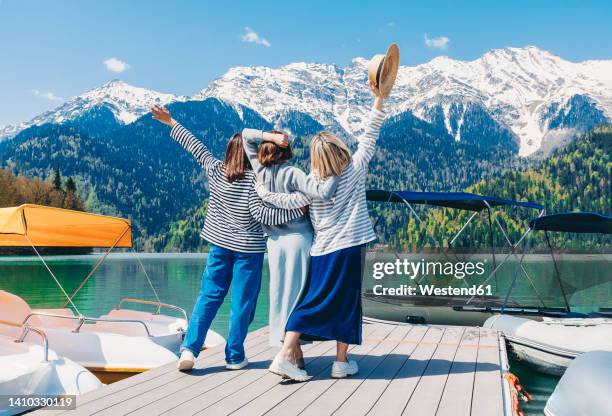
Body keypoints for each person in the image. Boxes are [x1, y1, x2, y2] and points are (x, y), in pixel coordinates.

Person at [150, 105, 303, 372]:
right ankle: (234, 357)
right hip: (248, 251)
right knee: (241, 304)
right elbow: (262, 213)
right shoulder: (256, 180)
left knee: (208, 297)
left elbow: (195, 146)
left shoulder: (215, 170)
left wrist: (171, 122)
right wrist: (294, 211)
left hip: (219, 247)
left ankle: (189, 349)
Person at [255, 81, 385, 381]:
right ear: (340, 149)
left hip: (322, 249)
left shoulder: (311, 182)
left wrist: (265, 192)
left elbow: (290, 200)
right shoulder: (355, 168)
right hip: (350, 247)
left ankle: (305, 355)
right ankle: (326, 359)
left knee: (313, 299)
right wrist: (378, 98)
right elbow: (370, 133)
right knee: (347, 301)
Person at [241, 127, 338, 363]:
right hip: (299, 240)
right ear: (286, 151)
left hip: (274, 243)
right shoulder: (293, 173)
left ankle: (292, 351)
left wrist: (270, 136)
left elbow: (245, 136)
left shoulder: (259, 170)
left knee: (280, 296)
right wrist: (335, 171)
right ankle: (292, 351)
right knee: (299, 296)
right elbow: (321, 193)